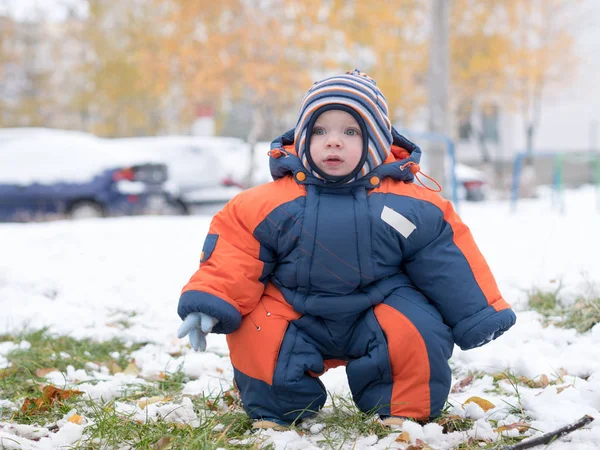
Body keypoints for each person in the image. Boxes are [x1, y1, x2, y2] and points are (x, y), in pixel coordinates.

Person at [176, 69, 516, 430]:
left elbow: (444, 257)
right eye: (320, 130)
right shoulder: (268, 204)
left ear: (376, 141)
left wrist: (478, 313)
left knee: (417, 328)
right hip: (293, 305)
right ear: (303, 138)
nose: (333, 142)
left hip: (378, 304)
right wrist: (210, 300)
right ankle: (278, 410)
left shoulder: (407, 203)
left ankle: (403, 408)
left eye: (350, 131)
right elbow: (235, 251)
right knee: (257, 331)